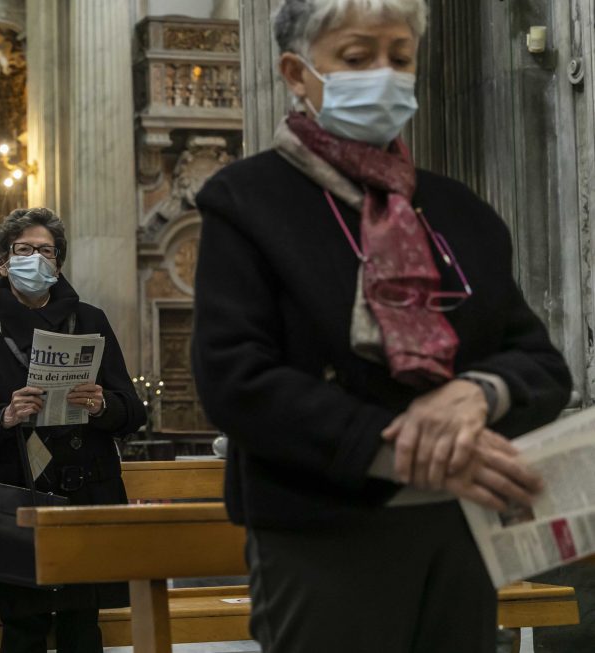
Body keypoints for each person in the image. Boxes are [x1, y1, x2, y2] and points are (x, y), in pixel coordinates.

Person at [190, 2, 573, 652]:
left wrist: (475, 392)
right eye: (357, 57)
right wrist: (405, 450)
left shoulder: (460, 211)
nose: (385, 75)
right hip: (326, 528)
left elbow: (539, 363)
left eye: (400, 57)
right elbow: (236, 378)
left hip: (461, 528)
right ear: (298, 71)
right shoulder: (247, 201)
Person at [0, 207, 146, 653]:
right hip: (17, 490)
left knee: (83, 623)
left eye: (46, 250)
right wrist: (3, 414)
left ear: (58, 262)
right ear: (2, 260)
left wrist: (102, 405)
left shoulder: (91, 319)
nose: (36, 259)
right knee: (22, 624)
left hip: (85, 488)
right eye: (24, 250)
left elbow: (132, 411)